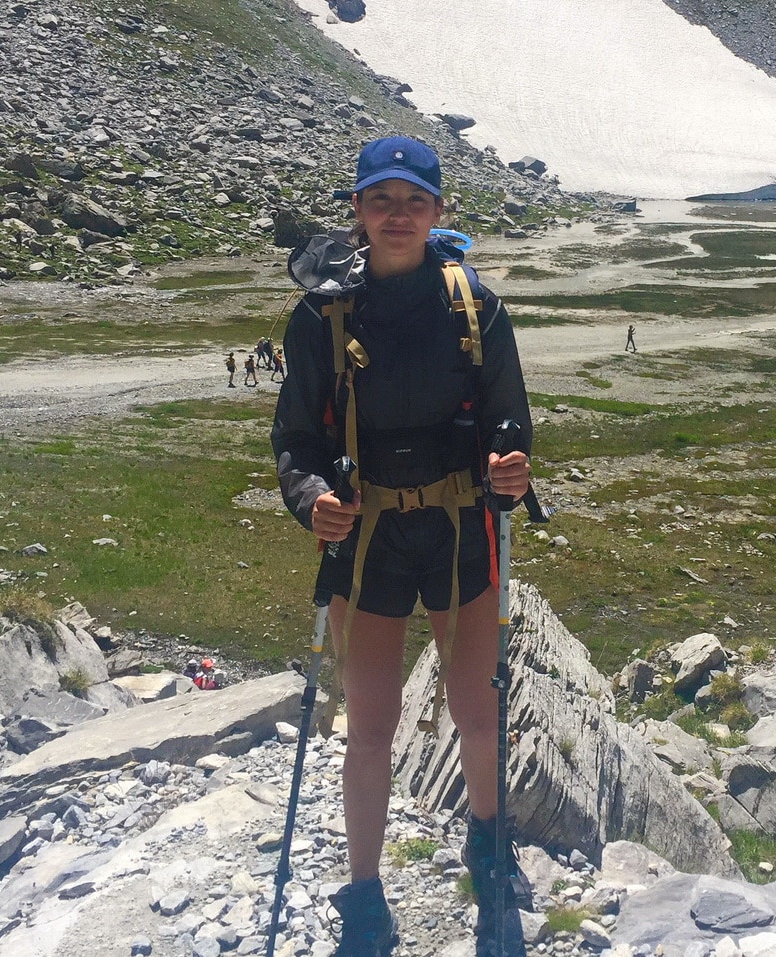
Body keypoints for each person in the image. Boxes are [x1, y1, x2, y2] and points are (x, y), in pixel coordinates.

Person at [272, 135, 533, 957]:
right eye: (380, 199)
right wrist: (310, 499)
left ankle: (488, 846)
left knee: (475, 709)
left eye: (412, 201)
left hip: (460, 523)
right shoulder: (320, 315)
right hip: (368, 532)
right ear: (355, 209)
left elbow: (508, 412)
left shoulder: (474, 305)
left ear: (437, 213)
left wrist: (510, 462)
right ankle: (364, 895)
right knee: (370, 725)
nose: (396, 214)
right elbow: (293, 438)